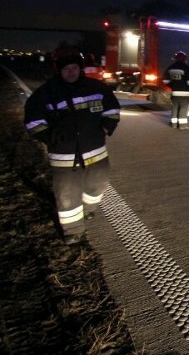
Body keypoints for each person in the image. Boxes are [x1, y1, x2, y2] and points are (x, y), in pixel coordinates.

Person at [24, 47, 121, 245]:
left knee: (98, 183)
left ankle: (88, 208)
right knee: (66, 194)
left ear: (80, 69)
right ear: (59, 70)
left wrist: (107, 126)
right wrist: (51, 138)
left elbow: (112, 109)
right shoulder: (46, 93)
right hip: (63, 154)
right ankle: (73, 230)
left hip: (96, 150)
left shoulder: (97, 88)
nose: (71, 72)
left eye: (74, 68)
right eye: (66, 68)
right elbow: (33, 121)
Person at [162, 50, 189, 129]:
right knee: (183, 108)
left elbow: (165, 80)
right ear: (184, 59)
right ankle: (182, 125)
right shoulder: (186, 68)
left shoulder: (170, 67)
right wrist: (188, 90)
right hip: (184, 92)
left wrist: (172, 86)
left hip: (175, 92)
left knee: (174, 108)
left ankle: (174, 124)